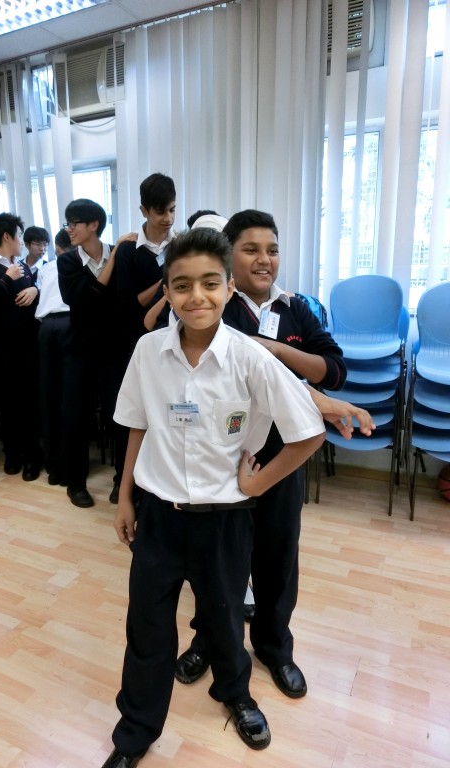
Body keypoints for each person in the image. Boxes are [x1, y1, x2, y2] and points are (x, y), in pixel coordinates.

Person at [102, 228, 327, 768]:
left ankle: (236, 695)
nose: (195, 296)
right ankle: (135, 733)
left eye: (209, 283)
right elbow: (135, 425)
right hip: (158, 517)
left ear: (228, 287)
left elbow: (308, 433)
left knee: (225, 621)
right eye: (181, 285)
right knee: (146, 627)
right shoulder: (148, 351)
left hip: (225, 520)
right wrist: (125, 496)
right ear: (166, 292)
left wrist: (258, 484)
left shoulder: (250, 357)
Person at [174, 210, 348, 700]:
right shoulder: (214, 309)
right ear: (229, 256)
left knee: (278, 559)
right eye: (251, 249)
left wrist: (273, 350)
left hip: (283, 459)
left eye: (272, 249)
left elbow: (334, 371)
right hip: (223, 461)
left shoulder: (296, 309)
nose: (264, 259)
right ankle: (208, 643)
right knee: (218, 566)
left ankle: (274, 647)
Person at [57, 199, 136, 507]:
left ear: (93, 225)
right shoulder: (67, 261)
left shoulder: (121, 254)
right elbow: (84, 298)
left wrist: (116, 257)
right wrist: (113, 259)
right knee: (76, 418)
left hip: (115, 351)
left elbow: (124, 301)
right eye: (67, 223)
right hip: (80, 350)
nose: (69, 229)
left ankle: (121, 482)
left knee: (121, 418)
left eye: (74, 223)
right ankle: (76, 484)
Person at [0, 213, 41, 481]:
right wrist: (6, 279)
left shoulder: (21, 265)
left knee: (30, 403)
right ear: (6, 237)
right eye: (19, 236)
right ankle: (13, 455)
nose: (21, 242)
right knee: (9, 404)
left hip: (28, 345)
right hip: (2, 348)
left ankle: (33, 457)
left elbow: (32, 296)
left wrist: (35, 290)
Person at [115, 173, 177, 359]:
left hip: (175, 333)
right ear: (144, 211)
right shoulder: (128, 250)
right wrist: (165, 282)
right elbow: (128, 305)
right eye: (160, 212)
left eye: (172, 210)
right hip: (139, 338)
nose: (168, 218)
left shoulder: (180, 245)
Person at [36, 229, 72, 485]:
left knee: (48, 397)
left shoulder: (46, 268)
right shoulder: (82, 263)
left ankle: (53, 466)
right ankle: (69, 464)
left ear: (57, 247)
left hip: (46, 327)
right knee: (71, 398)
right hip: (71, 324)